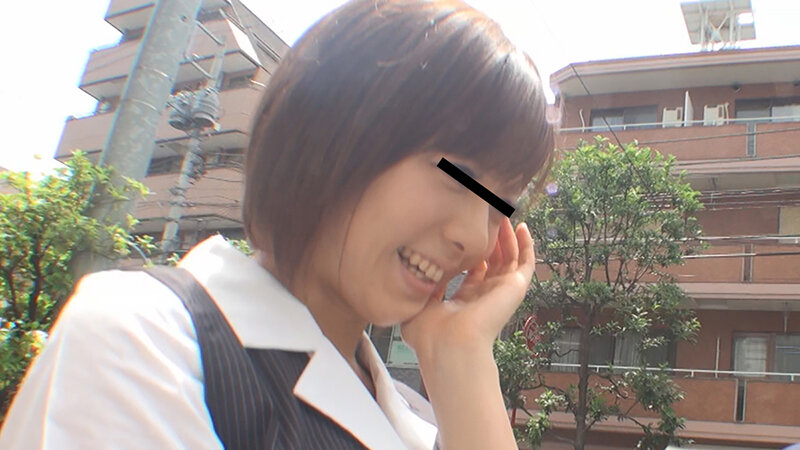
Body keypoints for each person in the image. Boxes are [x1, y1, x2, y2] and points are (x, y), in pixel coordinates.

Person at [0, 0, 553, 448]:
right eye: (461, 176)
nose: (475, 237)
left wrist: (461, 358)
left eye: (497, 207)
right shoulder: (149, 340)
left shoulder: (420, 422)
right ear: (336, 132)